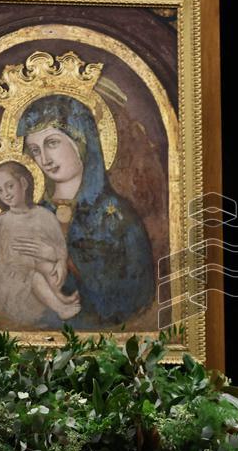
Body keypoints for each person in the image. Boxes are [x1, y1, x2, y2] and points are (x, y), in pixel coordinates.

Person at [15, 94, 155, 329]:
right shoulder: (33, 214)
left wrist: (66, 258)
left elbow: (135, 293)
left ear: (81, 140)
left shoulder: (117, 216)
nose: (44, 159)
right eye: (35, 150)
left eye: (52, 143)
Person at [0, 161, 82, 324]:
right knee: (34, 276)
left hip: (34, 271)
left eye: (9, 186)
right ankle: (60, 308)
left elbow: (60, 245)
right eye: (0, 190)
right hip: (8, 282)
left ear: (23, 183)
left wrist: (60, 261)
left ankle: (61, 298)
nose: (5, 194)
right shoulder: (4, 220)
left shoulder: (45, 216)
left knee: (47, 267)